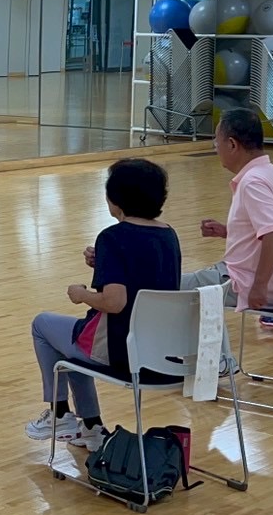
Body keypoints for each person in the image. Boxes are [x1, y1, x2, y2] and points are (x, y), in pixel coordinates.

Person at [27, 158, 180, 452]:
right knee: (72, 342)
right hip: (159, 350)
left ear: (115, 200)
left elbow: (115, 302)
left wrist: (81, 294)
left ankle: (60, 414)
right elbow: (147, 276)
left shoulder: (112, 237)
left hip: (120, 350)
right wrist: (104, 265)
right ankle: (91, 426)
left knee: (42, 325)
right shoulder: (168, 234)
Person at [184, 109, 273, 359]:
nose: (215, 147)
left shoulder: (252, 182)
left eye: (217, 141)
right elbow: (270, 229)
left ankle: (204, 363)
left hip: (246, 284)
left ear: (232, 144)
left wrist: (259, 286)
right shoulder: (270, 173)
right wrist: (229, 232)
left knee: (167, 286)